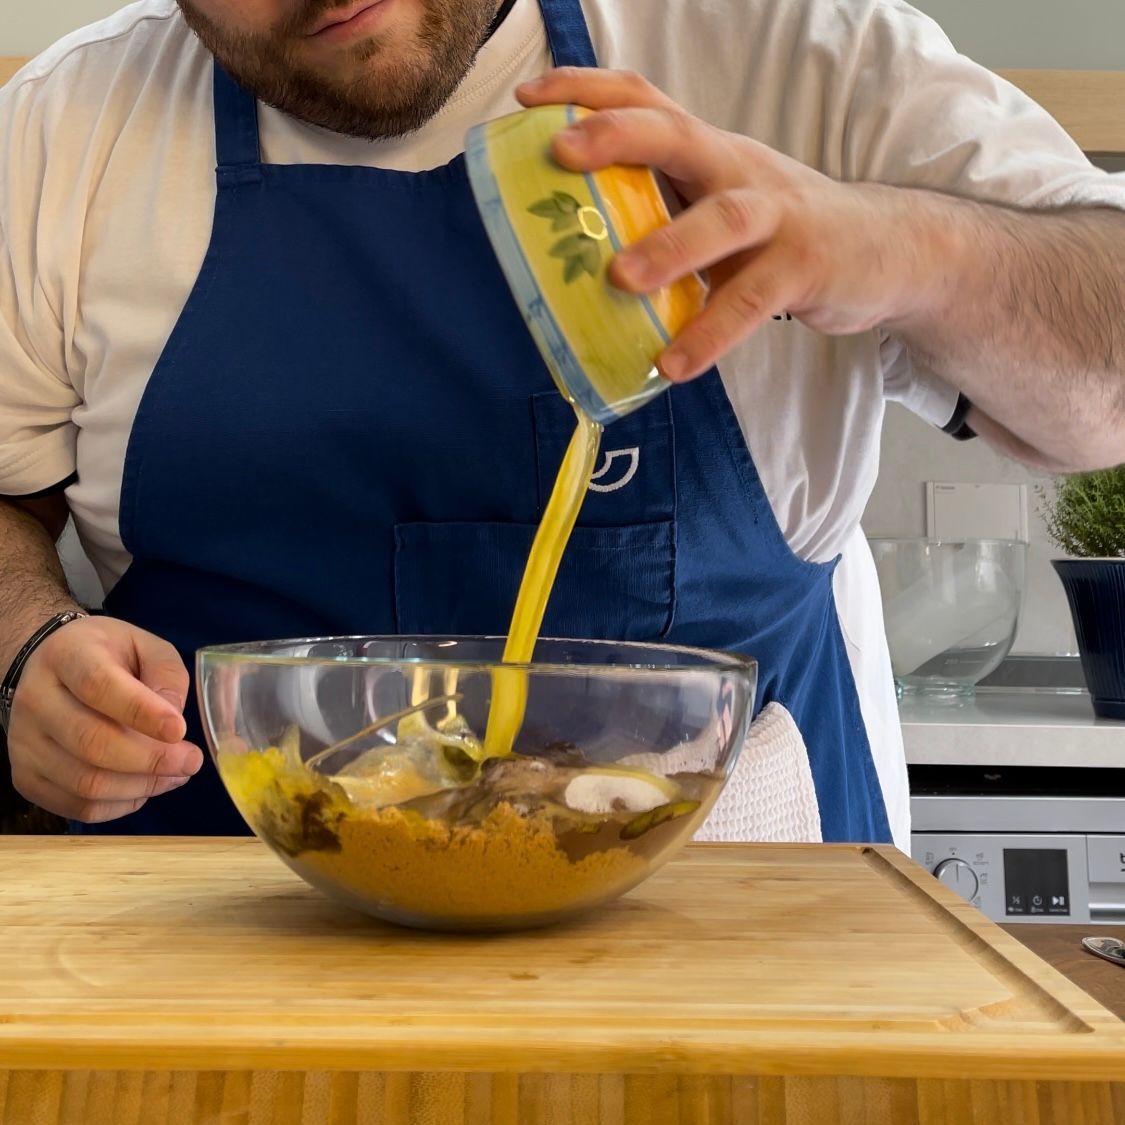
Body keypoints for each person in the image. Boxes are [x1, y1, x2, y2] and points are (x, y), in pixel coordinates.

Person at [1, 0, 1122, 851]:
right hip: (221, 959)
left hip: (729, 960)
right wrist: (25, 644)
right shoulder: (66, 131)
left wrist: (894, 246)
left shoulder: (787, 54)